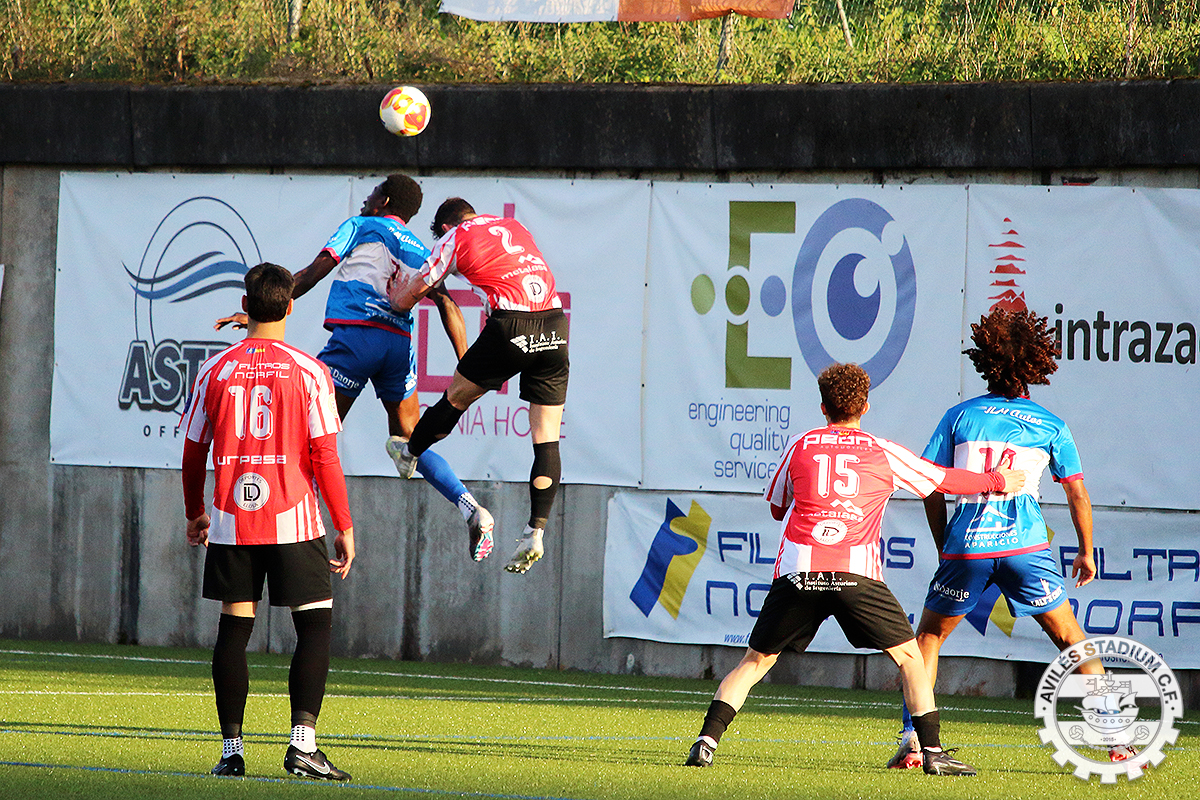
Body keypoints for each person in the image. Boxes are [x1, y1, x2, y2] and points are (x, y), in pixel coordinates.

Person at [683, 363, 1024, 777]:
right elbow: (942, 480)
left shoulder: (801, 444)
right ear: (865, 406)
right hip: (856, 577)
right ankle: (932, 753)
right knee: (910, 659)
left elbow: (776, 507)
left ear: (823, 407)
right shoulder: (881, 450)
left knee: (755, 662)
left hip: (799, 573)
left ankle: (706, 742)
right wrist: (996, 479)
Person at [887, 307, 1134, 768]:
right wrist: (1085, 551)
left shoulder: (960, 416)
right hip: (1025, 548)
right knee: (1071, 638)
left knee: (929, 639)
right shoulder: (1050, 423)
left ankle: (913, 742)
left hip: (967, 547)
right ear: (1036, 364)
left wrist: (945, 542)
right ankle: (1116, 739)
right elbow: (1077, 493)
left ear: (987, 361)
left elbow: (930, 485)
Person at [215, 175, 494, 562]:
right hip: (397, 346)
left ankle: (300, 538)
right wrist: (466, 364)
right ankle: (471, 508)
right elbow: (448, 305)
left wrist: (257, 314)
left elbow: (312, 273)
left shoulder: (361, 225)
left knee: (309, 439)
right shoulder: (421, 250)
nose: (366, 198)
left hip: (356, 340)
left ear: (384, 201)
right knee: (408, 440)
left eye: (373, 192)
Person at [182, 262, 354, 781]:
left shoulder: (215, 369)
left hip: (233, 520)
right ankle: (302, 745)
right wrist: (344, 525)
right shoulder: (310, 371)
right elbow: (325, 456)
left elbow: (193, 451)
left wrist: (195, 512)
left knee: (234, 630)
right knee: (314, 625)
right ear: (291, 306)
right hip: (294, 521)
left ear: (245, 305)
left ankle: (232, 752)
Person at [387, 198, 569, 575]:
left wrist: (396, 301)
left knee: (455, 398)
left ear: (444, 226)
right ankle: (535, 531)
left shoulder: (455, 235)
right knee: (547, 438)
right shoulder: (514, 226)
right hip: (555, 324)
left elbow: (420, 286)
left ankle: (410, 452)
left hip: (511, 325)